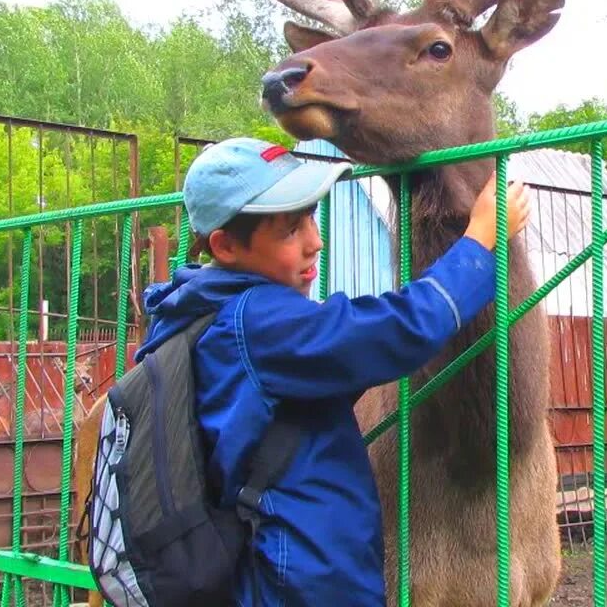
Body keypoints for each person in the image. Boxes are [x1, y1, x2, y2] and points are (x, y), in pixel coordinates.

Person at [132, 137, 531, 606]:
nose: (314, 241)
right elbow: (395, 332)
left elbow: (344, 354)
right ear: (225, 245)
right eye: (288, 231)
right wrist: (479, 242)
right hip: (298, 579)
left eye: (310, 217)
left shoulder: (201, 312)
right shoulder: (256, 324)